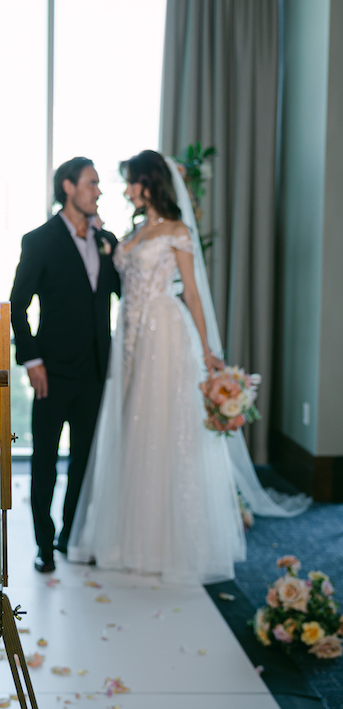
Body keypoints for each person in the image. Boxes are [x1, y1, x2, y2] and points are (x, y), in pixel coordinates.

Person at [68, 150, 309, 584]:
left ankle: (162, 543)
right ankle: (127, 536)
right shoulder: (136, 231)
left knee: (160, 429)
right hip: (130, 336)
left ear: (148, 182)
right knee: (132, 426)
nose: (125, 190)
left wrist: (206, 351)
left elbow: (193, 294)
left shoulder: (177, 231)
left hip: (163, 331)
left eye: (130, 182)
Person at [10, 157, 120, 573]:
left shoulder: (107, 240)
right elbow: (18, 306)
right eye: (92, 183)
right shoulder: (38, 240)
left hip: (96, 371)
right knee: (44, 461)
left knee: (84, 460)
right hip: (51, 372)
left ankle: (69, 533)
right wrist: (32, 359)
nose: (98, 190)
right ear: (69, 187)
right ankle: (43, 542)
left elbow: (124, 296)